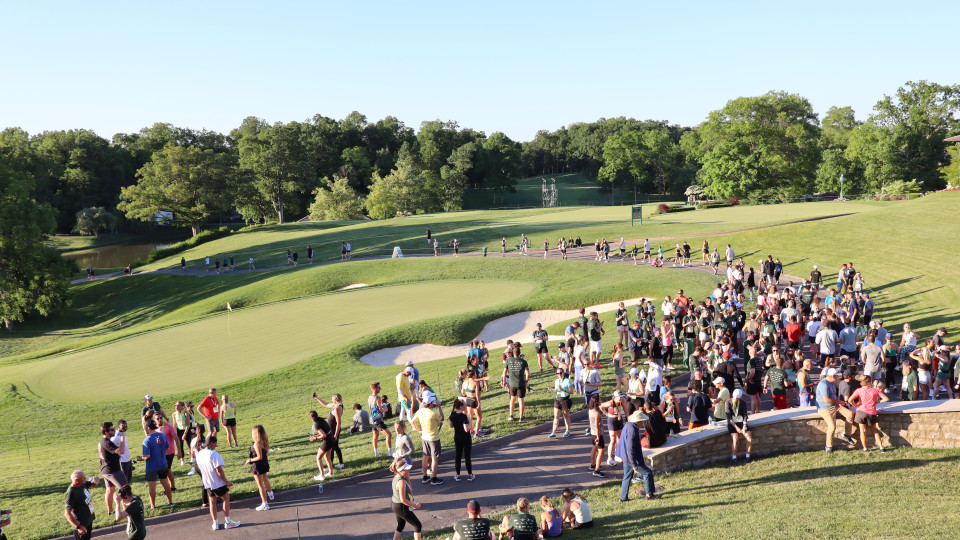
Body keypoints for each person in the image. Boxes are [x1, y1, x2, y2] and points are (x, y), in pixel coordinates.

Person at [615, 408, 659, 502]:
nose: (643, 422)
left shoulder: (628, 425)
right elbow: (630, 448)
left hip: (625, 457)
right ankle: (650, 494)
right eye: (642, 421)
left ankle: (623, 498)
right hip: (631, 458)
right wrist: (634, 464)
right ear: (638, 421)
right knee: (648, 473)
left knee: (627, 477)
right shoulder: (633, 431)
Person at [196, 436, 240, 530]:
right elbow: (219, 470)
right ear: (212, 443)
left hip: (207, 482)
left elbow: (199, 467)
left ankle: (215, 524)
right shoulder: (214, 454)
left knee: (212, 502)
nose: (216, 445)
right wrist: (226, 481)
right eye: (215, 443)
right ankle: (228, 522)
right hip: (218, 482)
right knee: (226, 499)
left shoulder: (200, 454)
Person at [815, 368, 859, 453]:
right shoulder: (824, 384)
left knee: (850, 414)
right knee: (832, 427)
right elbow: (826, 400)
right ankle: (828, 446)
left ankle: (847, 435)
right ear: (832, 376)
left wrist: (839, 403)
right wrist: (839, 402)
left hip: (835, 405)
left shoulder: (832, 382)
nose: (838, 377)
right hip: (825, 408)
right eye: (836, 376)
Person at [848, 375, 890, 452]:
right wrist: (877, 401)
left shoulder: (858, 390)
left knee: (862, 431)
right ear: (870, 382)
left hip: (861, 412)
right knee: (874, 431)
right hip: (871, 412)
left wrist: (857, 405)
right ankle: (881, 447)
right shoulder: (875, 390)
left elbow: (850, 400)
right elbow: (886, 399)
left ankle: (865, 448)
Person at [139, 420, 173, 509]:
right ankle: (170, 501)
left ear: (148, 428)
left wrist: (141, 458)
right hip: (163, 464)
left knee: (152, 486)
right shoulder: (162, 435)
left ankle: (153, 505)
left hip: (152, 467)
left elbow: (147, 456)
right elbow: (167, 448)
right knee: (165, 482)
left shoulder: (147, 440)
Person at [411, 396, 444, 485]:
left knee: (425, 456)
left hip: (424, 437)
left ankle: (425, 476)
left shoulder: (420, 411)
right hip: (434, 438)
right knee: (434, 458)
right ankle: (434, 478)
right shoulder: (433, 413)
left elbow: (412, 421)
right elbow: (442, 418)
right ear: (430, 404)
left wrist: (419, 430)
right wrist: (440, 407)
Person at [98, 422, 126, 515]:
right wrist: (122, 439)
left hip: (105, 470)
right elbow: (121, 451)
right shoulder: (106, 442)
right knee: (125, 489)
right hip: (112, 470)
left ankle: (110, 511)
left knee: (109, 490)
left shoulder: (102, 441)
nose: (114, 431)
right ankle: (127, 510)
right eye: (112, 429)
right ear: (106, 432)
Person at [243, 425, 274, 511]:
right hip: (264, 463)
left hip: (258, 465)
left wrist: (249, 460)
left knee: (260, 485)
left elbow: (259, 457)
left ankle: (265, 503)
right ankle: (271, 494)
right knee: (265, 478)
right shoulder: (263, 441)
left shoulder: (256, 444)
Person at [64, 470, 100, 540]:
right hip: (81, 524)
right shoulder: (71, 493)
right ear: (76, 481)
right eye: (83, 478)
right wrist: (79, 527)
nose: (85, 479)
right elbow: (67, 514)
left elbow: (92, 484)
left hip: (88, 520)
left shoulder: (82, 484)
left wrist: (96, 481)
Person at [313, 392, 345, 468]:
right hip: (331, 430)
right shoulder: (336, 405)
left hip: (333, 430)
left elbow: (338, 423)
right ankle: (340, 463)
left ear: (335, 399)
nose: (331, 399)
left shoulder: (337, 408)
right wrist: (317, 398)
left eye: (332, 398)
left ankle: (331, 465)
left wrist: (335, 435)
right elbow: (326, 404)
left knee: (331, 447)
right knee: (335, 446)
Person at [449, 399, 474, 481]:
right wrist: (469, 422)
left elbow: (451, 426)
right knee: (467, 456)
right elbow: (466, 429)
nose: (466, 406)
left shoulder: (452, 415)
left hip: (457, 437)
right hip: (466, 438)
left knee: (458, 456)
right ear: (460, 407)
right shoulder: (464, 416)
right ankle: (470, 474)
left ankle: (458, 474)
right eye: (464, 405)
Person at [367, 382, 394, 456]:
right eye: (379, 387)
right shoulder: (377, 398)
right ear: (374, 388)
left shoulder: (369, 397)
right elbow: (380, 410)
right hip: (378, 420)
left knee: (375, 436)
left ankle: (376, 453)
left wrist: (380, 407)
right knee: (389, 434)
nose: (380, 389)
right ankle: (390, 452)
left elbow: (370, 409)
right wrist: (385, 409)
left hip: (372, 419)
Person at [725, 389, 753, 463]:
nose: (736, 399)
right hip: (732, 423)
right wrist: (736, 427)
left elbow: (745, 415)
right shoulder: (728, 402)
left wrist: (744, 426)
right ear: (732, 396)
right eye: (735, 397)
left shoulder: (743, 402)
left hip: (741, 422)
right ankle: (734, 457)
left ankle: (748, 456)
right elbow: (729, 418)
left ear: (740, 397)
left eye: (738, 398)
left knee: (749, 437)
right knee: (735, 438)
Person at [503, 350, 530, 421]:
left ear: (513, 353)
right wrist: (526, 380)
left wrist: (504, 381)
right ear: (519, 353)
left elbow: (505, 372)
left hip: (512, 384)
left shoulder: (508, 360)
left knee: (512, 399)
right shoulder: (523, 361)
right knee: (521, 400)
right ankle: (521, 417)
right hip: (520, 383)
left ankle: (511, 415)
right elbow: (528, 373)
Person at [549, 367, 573, 438]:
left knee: (566, 416)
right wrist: (552, 390)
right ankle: (553, 432)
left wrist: (563, 390)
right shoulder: (557, 381)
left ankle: (568, 430)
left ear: (563, 373)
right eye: (557, 373)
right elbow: (557, 390)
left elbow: (571, 392)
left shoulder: (567, 381)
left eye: (560, 373)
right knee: (556, 417)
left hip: (565, 400)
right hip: (558, 400)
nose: (559, 374)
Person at [156, 415, 178, 494]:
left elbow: (176, 438)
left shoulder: (168, 426)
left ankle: (171, 487)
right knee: (166, 470)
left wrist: (180, 451)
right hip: (159, 453)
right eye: (157, 418)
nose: (160, 419)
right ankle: (170, 487)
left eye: (161, 418)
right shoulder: (154, 428)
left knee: (167, 470)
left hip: (169, 452)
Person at [111, 420, 133, 491]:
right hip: (123, 462)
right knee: (124, 483)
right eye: (123, 425)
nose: (125, 426)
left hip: (128, 460)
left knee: (128, 480)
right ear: (118, 427)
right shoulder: (117, 437)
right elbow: (109, 445)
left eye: (126, 425)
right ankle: (122, 496)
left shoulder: (122, 434)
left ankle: (128, 494)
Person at [587, 395, 606, 478]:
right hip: (597, 434)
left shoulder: (591, 410)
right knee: (601, 451)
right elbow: (597, 426)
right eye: (600, 400)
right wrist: (598, 437)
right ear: (597, 402)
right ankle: (597, 470)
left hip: (593, 432)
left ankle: (593, 465)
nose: (601, 401)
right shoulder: (596, 413)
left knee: (594, 448)